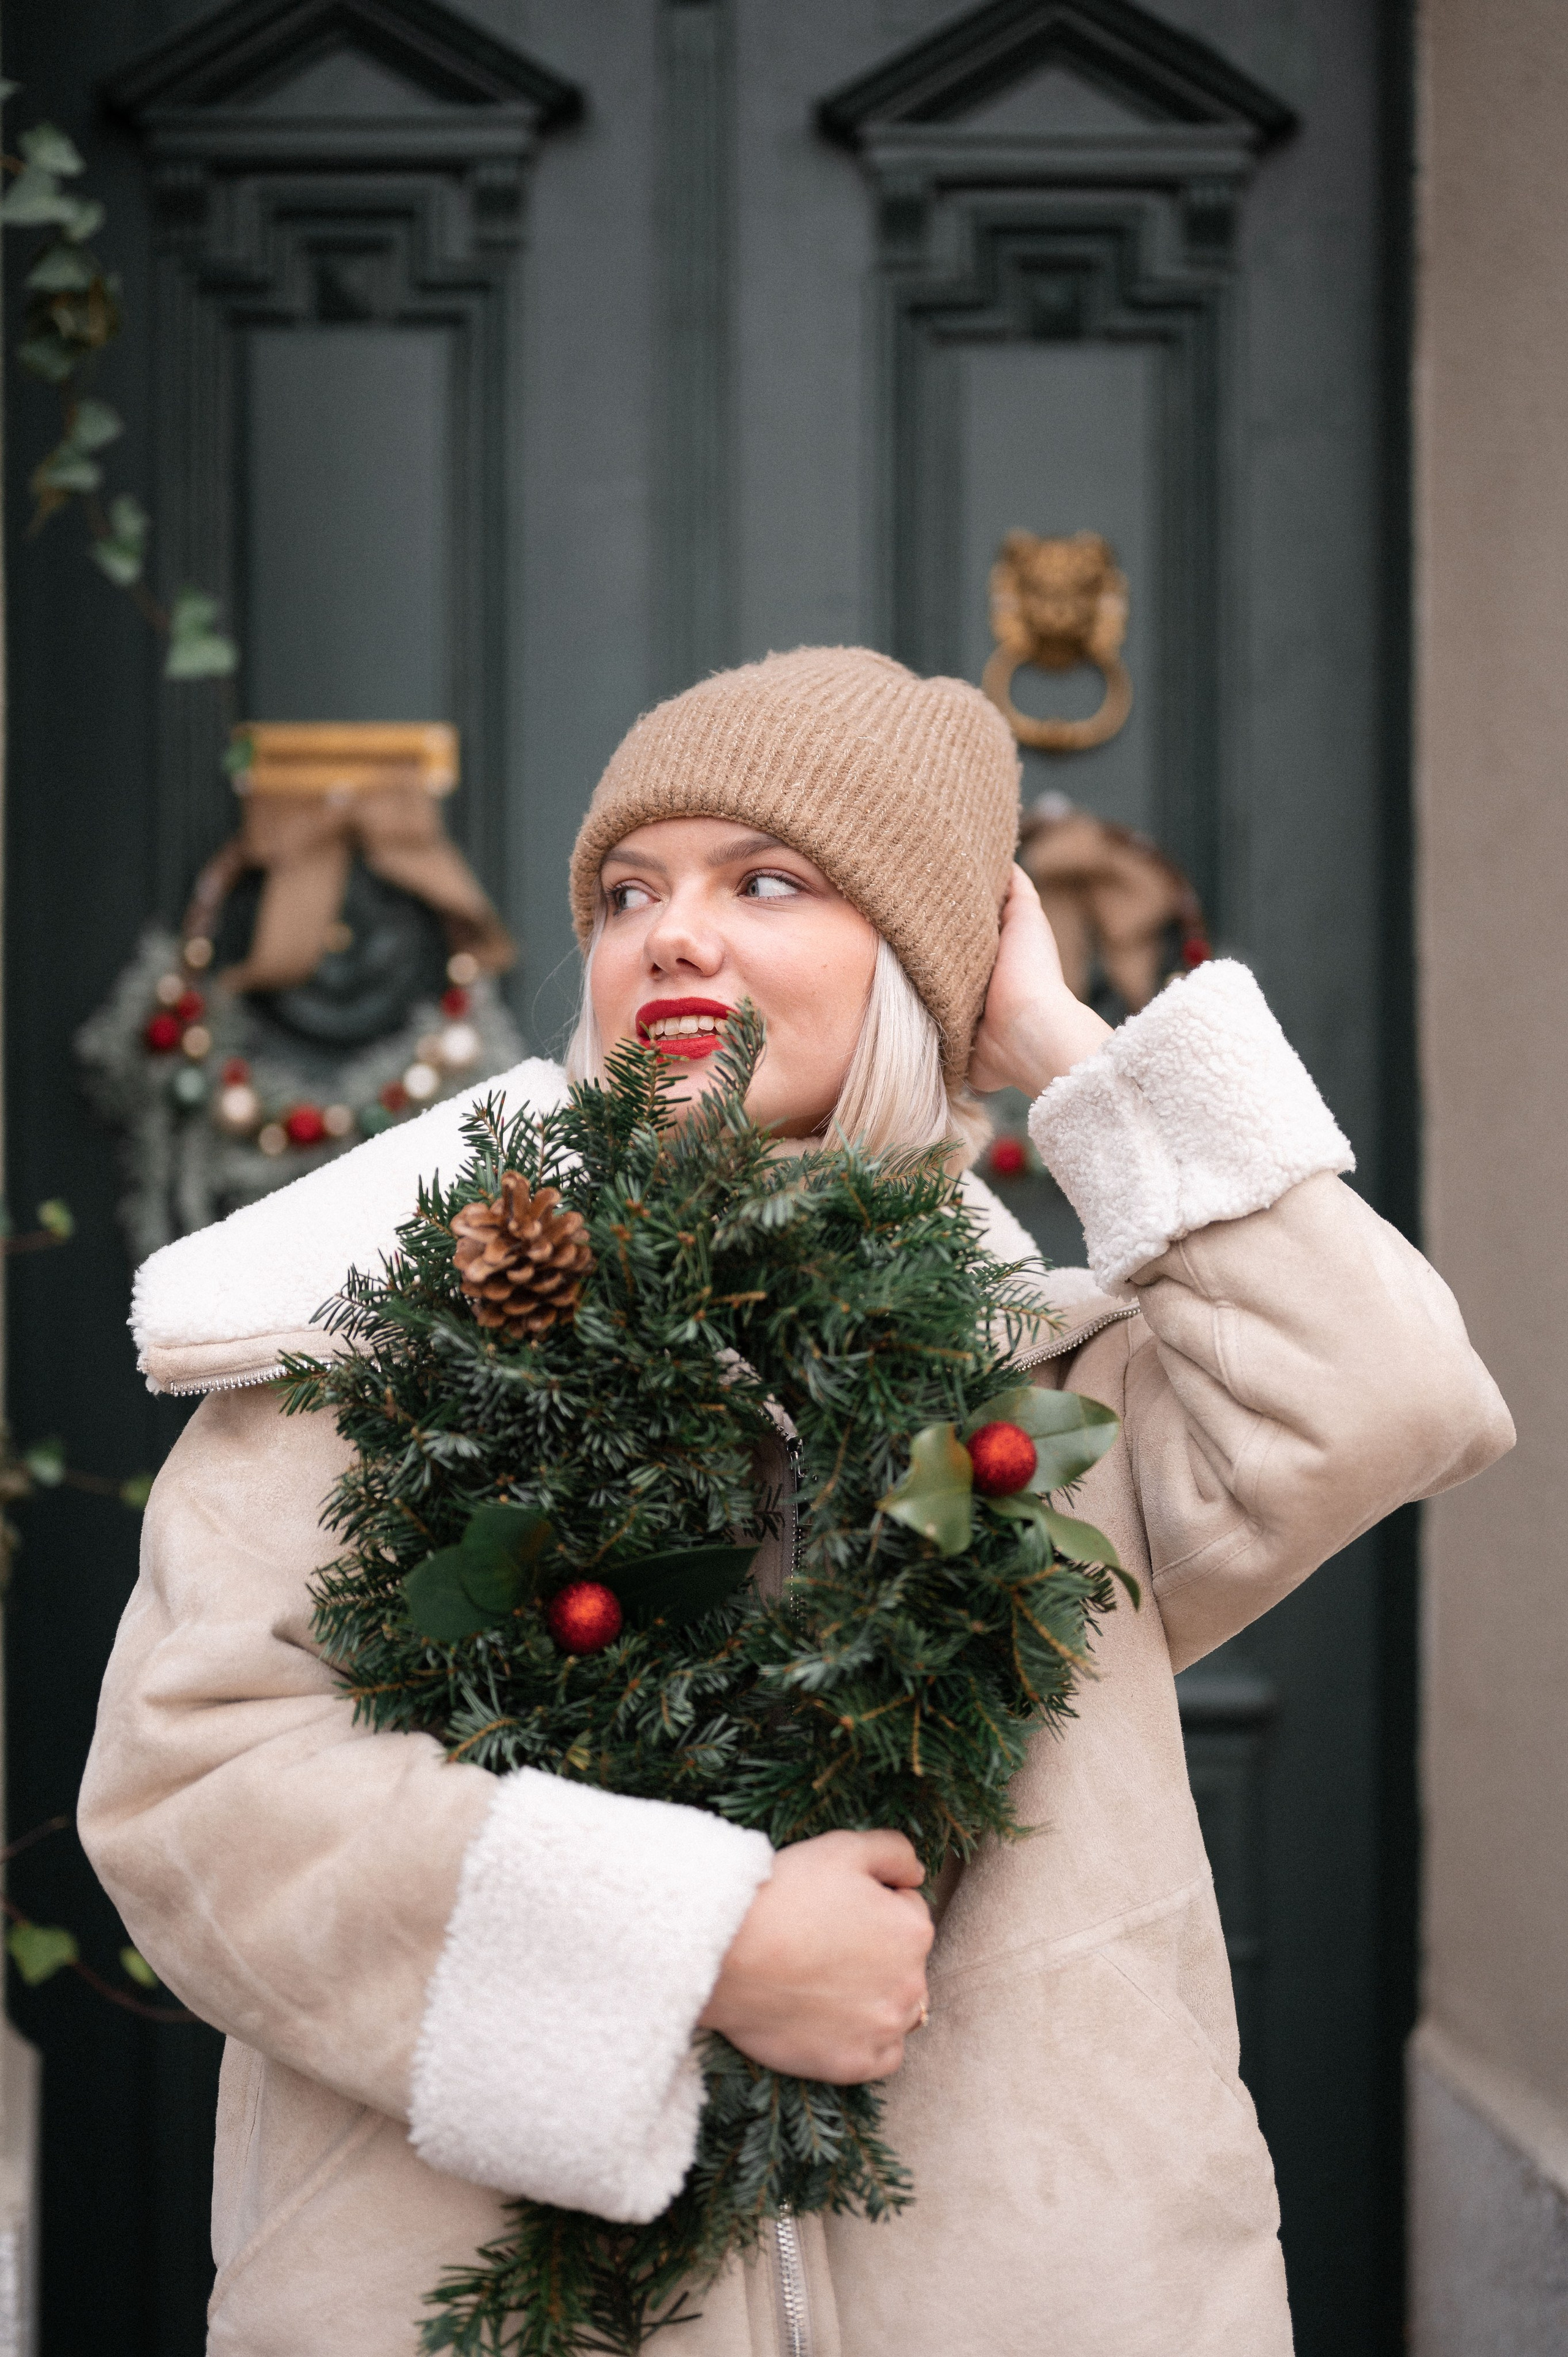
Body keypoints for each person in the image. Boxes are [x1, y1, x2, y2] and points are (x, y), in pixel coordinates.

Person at [81, 647, 1512, 2357]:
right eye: (628, 892)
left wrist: (1061, 1041)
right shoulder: (377, 1342)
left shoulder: (1043, 1409)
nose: (671, 935)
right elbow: (194, 1790)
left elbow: (1386, 1392)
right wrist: (693, 1948)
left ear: (921, 963)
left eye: (770, 882)